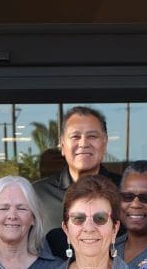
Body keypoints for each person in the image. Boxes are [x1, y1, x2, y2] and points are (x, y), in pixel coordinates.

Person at [34, 105, 118, 246]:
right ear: (62, 145)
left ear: (105, 142)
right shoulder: (37, 195)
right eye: (75, 136)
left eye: (92, 136)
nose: (84, 143)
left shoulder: (125, 192)